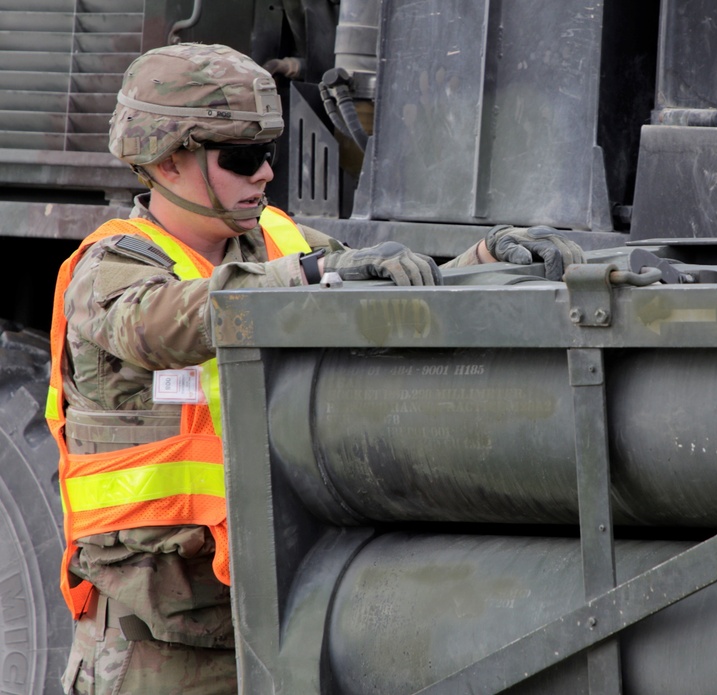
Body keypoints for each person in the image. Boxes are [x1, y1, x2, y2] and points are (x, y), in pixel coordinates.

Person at [47, 43, 584, 694]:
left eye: (268, 154)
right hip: (154, 652)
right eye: (242, 158)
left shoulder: (281, 243)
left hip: (274, 620)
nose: (265, 175)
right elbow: (161, 323)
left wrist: (485, 259)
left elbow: (386, 284)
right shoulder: (110, 268)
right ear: (168, 160)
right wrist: (313, 274)